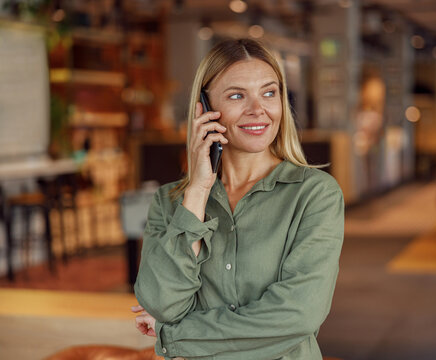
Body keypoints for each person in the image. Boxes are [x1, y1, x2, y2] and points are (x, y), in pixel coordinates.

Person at [131, 38, 344, 360]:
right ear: (204, 108)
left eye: (269, 93)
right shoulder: (170, 201)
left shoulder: (315, 194)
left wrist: (173, 335)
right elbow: (162, 301)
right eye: (236, 96)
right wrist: (199, 191)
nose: (258, 110)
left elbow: (297, 315)